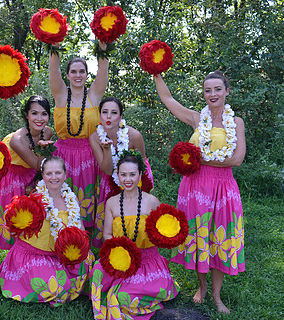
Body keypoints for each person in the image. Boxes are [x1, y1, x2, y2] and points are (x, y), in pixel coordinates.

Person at [154, 71, 246, 314]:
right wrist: (156, 73)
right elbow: (168, 100)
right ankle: (202, 287)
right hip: (195, 188)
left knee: (219, 237)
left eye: (217, 89)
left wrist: (198, 160)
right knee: (200, 237)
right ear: (204, 94)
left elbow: (236, 159)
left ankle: (216, 296)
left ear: (227, 91)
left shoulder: (235, 123)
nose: (212, 94)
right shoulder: (197, 119)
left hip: (223, 189)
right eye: (208, 90)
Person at [90, 152, 179, 320]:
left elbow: (163, 232)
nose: (128, 179)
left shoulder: (152, 201)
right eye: (123, 174)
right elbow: (107, 234)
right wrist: (120, 252)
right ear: (117, 176)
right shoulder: (112, 202)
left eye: (132, 174)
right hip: (120, 258)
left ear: (140, 175)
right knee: (97, 273)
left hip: (146, 260)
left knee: (125, 296)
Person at [0, 156, 94, 305]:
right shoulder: (35, 199)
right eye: (49, 173)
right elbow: (14, 221)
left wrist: (79, 244)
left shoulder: (71, 198)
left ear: (65, 174)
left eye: (58, 173)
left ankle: (65, 276)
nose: (54, 177)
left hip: (60, 253)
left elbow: (79, 227)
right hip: (35, 254)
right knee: (56, 289)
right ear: (43, 175)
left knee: (87, 261)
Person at [49, 41, 109, 229]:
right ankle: (63, 237)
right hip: (62, 155)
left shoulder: (94, 95)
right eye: (73, 71)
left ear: (86, 74)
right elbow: (54, 69)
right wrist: (54, 44)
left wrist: (104, 46)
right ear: (67, 75)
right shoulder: (60, 94)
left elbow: (103, 68)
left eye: (81, 71)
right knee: (62, 198)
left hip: (90, 154)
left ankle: (87, 242)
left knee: (88, 198)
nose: (77, 75)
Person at [0, 95, 53, 250]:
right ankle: (13, 258)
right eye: (34, 113)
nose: (39, 118)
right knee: (16, 219)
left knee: (31, 217)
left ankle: (28, 251)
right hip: (11, 178)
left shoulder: (47, 132)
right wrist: (43, 149)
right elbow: (39, 165)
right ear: (26, 115)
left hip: (29, 174)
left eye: (44, 114)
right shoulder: (17, 140)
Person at [89, 96, 154, 247]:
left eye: (114, 112)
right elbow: (106, 169)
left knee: (136, 213)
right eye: (105, 112)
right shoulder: (95, 138)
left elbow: (141, 164)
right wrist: (106, 149)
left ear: (121, 116)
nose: (109, 117)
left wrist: (136, 183)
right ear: (100, 116)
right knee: (114, 215)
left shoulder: (134, 135)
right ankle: (114, 245)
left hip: (137, 175)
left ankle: (139, 242)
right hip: (109, 178)